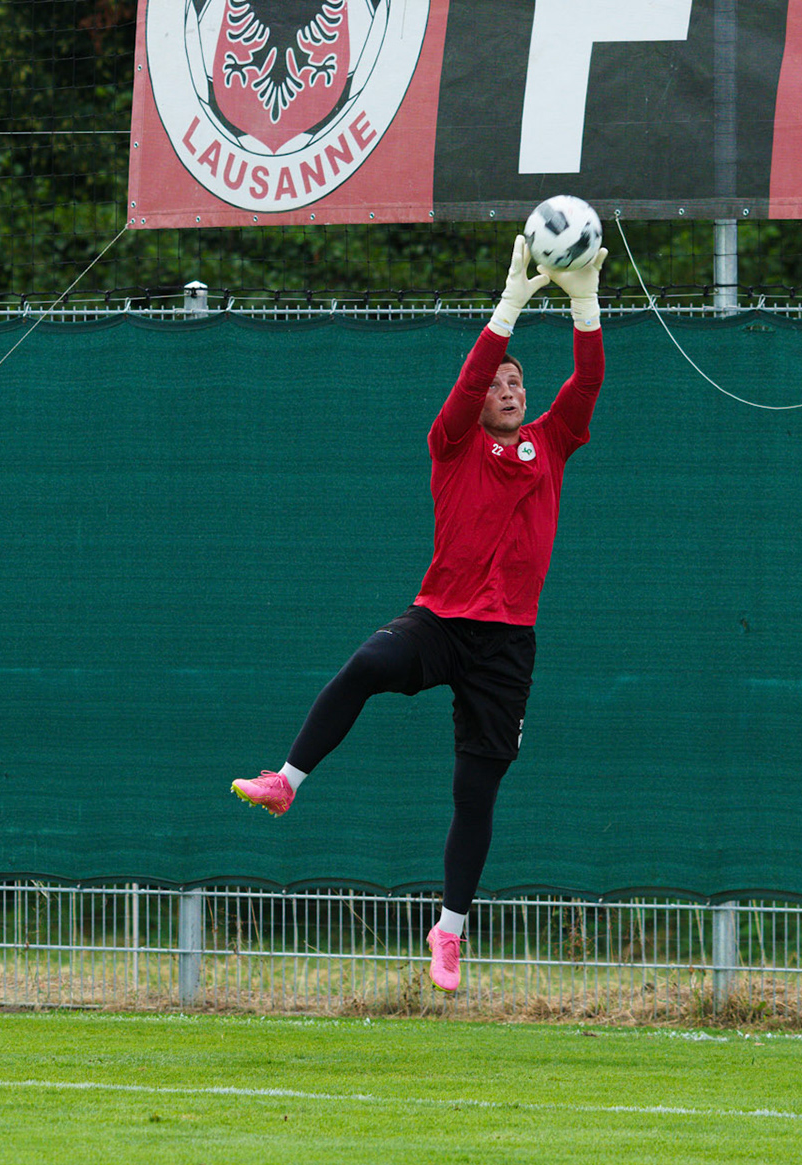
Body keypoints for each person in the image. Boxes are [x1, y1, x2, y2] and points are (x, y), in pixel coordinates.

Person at [231, 234, 608, 993]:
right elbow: (468, 382)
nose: (509, 390)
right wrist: (509, 306)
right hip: (442, 619)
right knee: (368, 664)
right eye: (498, 384)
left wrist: (585, 303)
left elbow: (588, 381)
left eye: (517, 382)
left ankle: (449, 931)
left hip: (507, 644)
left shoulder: (552, 443)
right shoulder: (453, 443)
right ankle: (287, 781)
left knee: (476, 791)